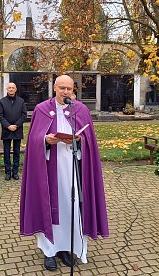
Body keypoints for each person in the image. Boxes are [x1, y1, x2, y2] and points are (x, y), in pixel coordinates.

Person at [20, 75, 109, 271]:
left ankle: (66, 248)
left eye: (69, 89)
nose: (66, 92)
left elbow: (89, 141)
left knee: (72, 206)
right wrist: (45, 140)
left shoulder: (81, 109)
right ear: (54, 88)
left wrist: (78, 140)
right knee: (50, 206)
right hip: (49, 170)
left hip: (74, 168)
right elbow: (34, 139)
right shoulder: (42, 109)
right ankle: (49, 251)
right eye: (62, 88)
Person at [0, 82, 27, 181]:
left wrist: (16, 125)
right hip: (7, 130)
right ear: (7, 89)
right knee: (6, 152)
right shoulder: (2, 101)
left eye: (12, 88)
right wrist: (8, 126)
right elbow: (0, 116)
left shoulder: (21, 101)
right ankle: (7, 172)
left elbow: (24, 115)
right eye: (9, 88)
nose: (11, 89)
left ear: (15, 89)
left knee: (17, 152)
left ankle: (15, 172)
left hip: (17, 130)